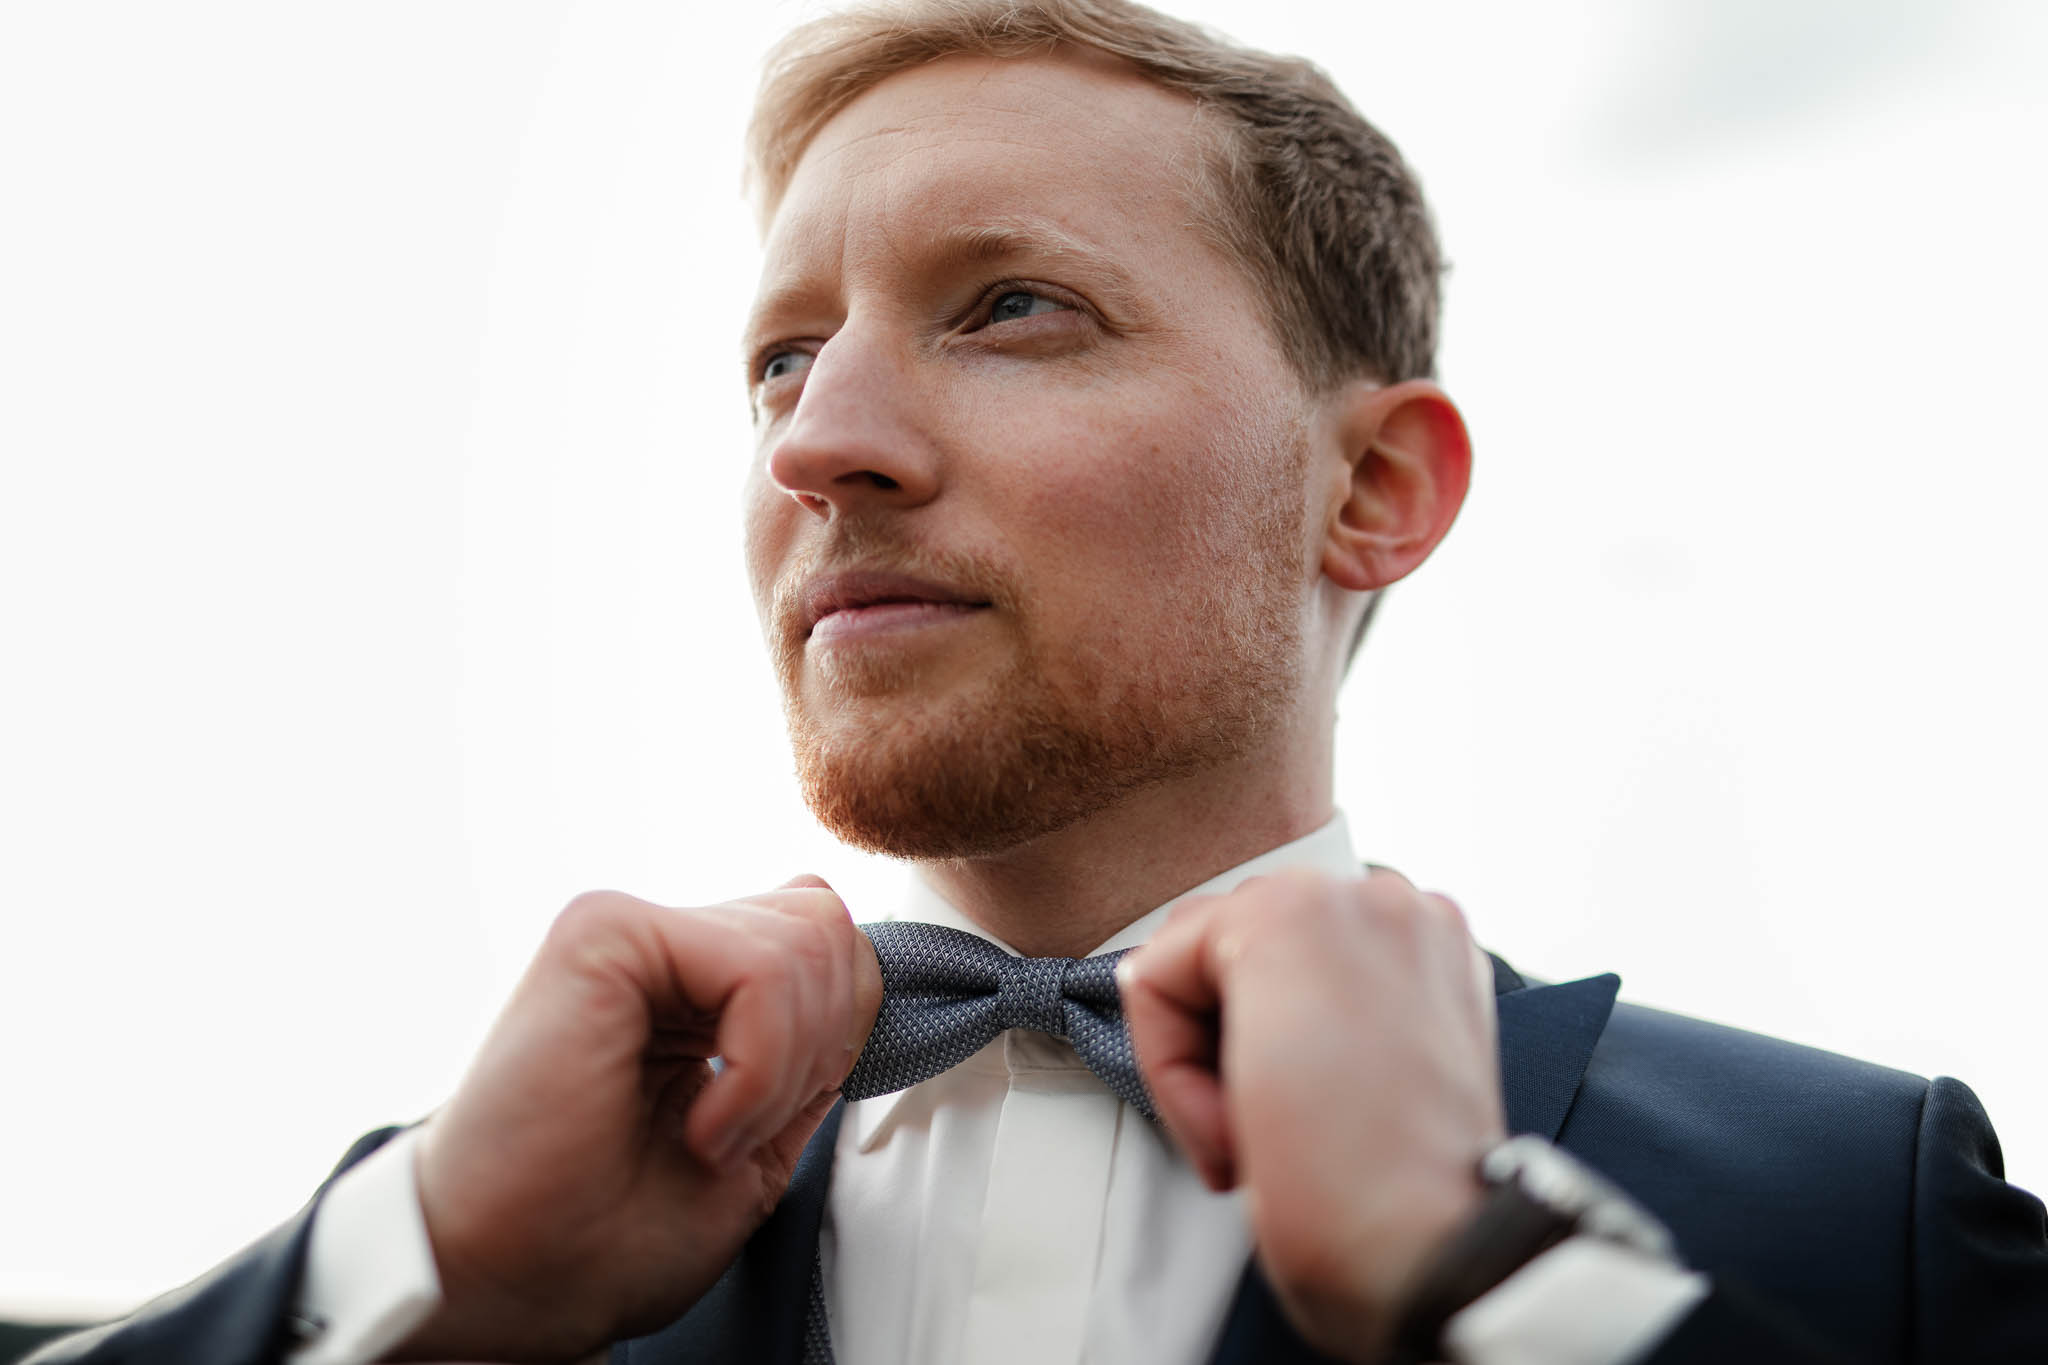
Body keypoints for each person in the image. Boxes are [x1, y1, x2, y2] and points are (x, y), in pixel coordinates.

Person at [29, 2, 2048, 1363]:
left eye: (1009, 306)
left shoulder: (1855, 1202)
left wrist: (1485, 1281)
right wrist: (413, 1273)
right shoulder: (487, 1238)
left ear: (1370, 486)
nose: (822, 440)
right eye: (779, 361)